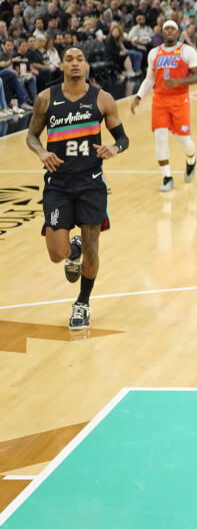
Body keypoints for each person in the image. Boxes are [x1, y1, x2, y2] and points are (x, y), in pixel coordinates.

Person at [25, 46, 128, 329]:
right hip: (57, 185)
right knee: (56, 254)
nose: (74, 63)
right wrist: (41, 152)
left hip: (91, 184)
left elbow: (122, 137)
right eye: (69, 59)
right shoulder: (46, 99)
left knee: (92, 249)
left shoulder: (102, 99)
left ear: (86, 65)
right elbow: (31, 136)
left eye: (79, 59)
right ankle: (73, 250)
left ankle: (82, 303)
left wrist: (114, 148)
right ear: (60, 65)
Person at [130, 19, 197, 191]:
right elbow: (149, 79)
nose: (169, 31)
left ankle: (191, 159)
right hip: (160, 100)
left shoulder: (187, 51)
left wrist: (178, 81)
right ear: (162, 32)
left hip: (180, 99)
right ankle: (167, 177)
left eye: (172, 29)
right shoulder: (154, 53)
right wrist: (138, 96)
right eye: (166, 29)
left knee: (183, 140)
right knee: (160, 138)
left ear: (178, 32)